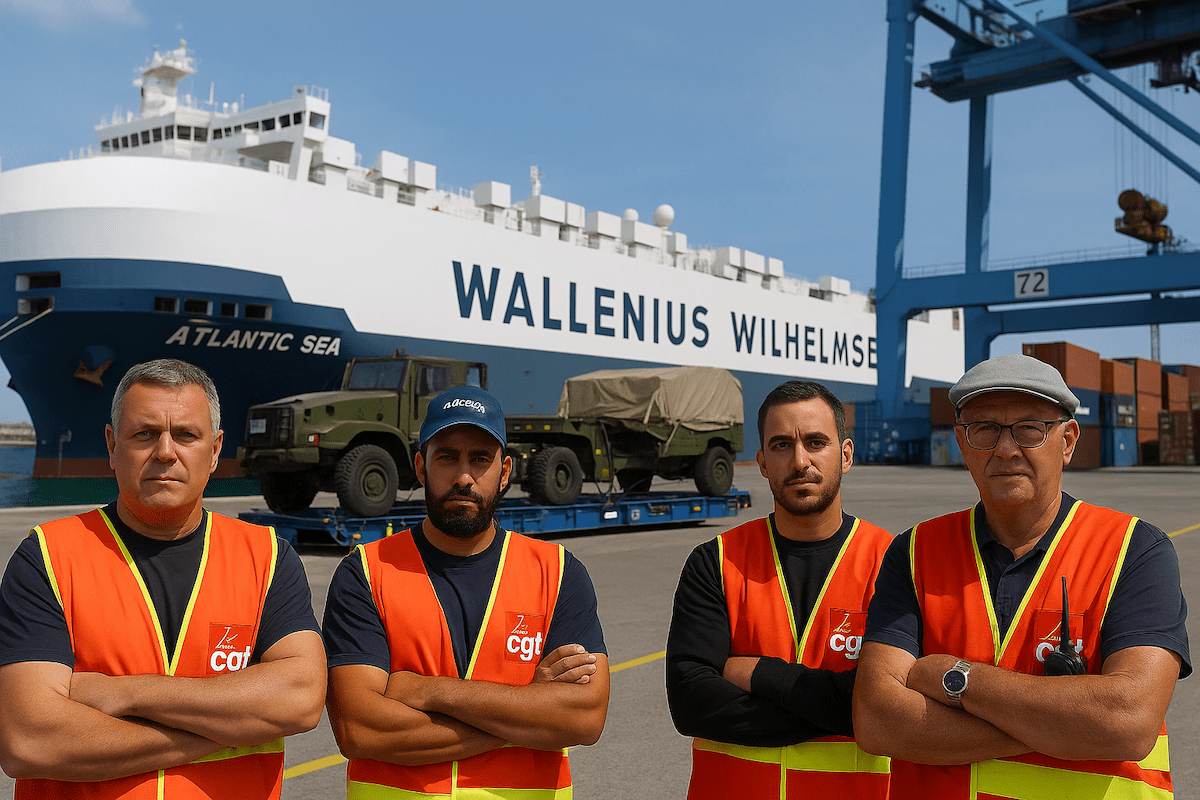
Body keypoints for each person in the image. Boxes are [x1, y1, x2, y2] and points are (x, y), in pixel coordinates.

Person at [854, 353, 1191, 799]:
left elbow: (1127, 722)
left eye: (1030, 428)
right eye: (984, 429)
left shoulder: (1135, 550)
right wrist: (1060, 726)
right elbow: (878, 720)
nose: (1005, 449)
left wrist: (957, 679)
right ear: (962, 442)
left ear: (1067, 440)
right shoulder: (914, 553)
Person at [0, 358, 326, 799]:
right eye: (145, 434)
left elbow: (302, 697)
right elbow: (30, 740)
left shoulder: (267, 557)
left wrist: (126, 694)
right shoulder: (48, 558)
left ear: (215, 450)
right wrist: (221, 731)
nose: (166, 452)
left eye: (186, 435)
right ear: (112, 445)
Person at [322, 384, 609, 799]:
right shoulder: (366, 573)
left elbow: (585, 718)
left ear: (505, 471)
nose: (463, 477)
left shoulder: (559, 573)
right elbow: (359, 729)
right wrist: (529, 709)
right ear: (421, 467)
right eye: (447, 457)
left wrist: (427, 691)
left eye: (480, 459)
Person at [666, 380, 893, 799]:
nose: (800, 460)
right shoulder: (715, 561)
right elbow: (691, 702)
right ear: (763, 462)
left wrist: (757, 672)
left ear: (845, 456)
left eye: (816, 442)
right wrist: (847, 709)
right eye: (782, 445)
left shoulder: (892, 563)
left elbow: (892, 706)